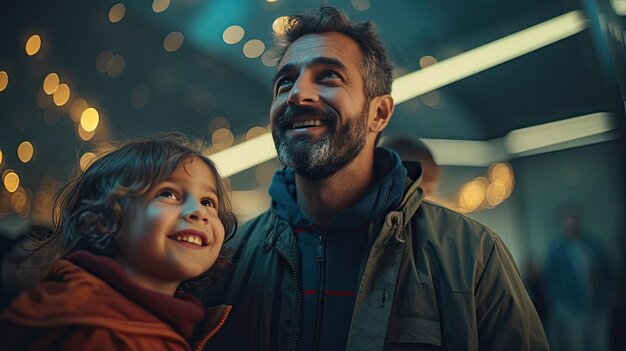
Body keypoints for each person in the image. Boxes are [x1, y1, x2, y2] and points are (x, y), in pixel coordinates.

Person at [202, 6, 548, 350]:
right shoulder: (227, 258)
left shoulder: (472, 255)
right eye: (285, 82)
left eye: (328, 77)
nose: (297, 94)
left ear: (378, 113)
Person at [0, 133, 237, 350]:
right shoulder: (90, 330)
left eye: (208, 201)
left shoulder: (169, 323)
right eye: (168, 194)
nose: (199, 212)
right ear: (101, 221)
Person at [544, 203, 612, 351]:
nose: (571, 222)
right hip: (572, 307)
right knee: (577, 344)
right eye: (566, 219)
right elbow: (551, 279)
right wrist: (560, 303)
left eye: (573, 218)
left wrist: (609, 294)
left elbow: (606, 269)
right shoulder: (556, 249)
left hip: (597, 304)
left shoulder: (592, 243)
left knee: (600, 344)